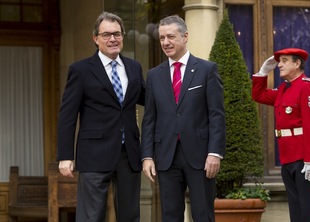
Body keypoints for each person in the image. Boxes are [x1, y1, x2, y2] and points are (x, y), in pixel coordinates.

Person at [57, 12, 145, 222]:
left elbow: (148, 99)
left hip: (129, 154)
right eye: (106, 35)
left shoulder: (134, 67)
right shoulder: (80, 70)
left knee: (130, 216)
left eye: (117, 34)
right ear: (95, 38)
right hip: (94, 153)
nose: (112, 39)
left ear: (123, 36)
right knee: (91, 217)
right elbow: (67, 115)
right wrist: (65, 155)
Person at [141, 15, 226, 222]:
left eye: (171, 36)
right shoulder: (153, 75)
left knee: (202, 215)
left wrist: (215, 153)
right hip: (166, 157)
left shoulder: (207, 70)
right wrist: (147, 156)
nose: (165, 42)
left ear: (185, 36)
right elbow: (149, 119)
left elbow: (216, 115)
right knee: (170, 216)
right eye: (162, 38)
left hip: (201, 157)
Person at [252, 48, 310, 222]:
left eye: (285, 61)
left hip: (304, 158)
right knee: (296, 210)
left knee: (309, 211)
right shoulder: (284, 89)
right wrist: (263, 72)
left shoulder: (308, 86)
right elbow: (258, 95)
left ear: (297, 63)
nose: (279, 65)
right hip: (288, 158)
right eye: (279, 61)